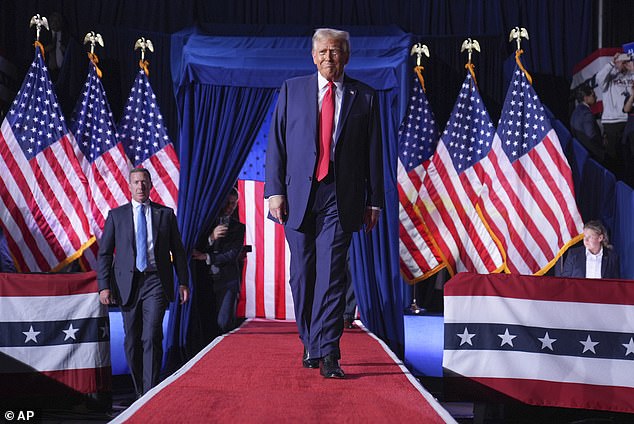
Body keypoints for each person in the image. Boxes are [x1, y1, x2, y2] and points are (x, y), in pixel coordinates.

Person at [265, 28, 384, 379]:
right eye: (323, 52)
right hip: (298, 196)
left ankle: (328, 351)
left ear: (346, 56)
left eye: (336, 51)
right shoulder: (292, 89)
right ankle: (310, 339)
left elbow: (373, 154)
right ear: (313, 56)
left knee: (331, 276)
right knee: (302, 275)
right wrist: (274, 191)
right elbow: (277, 144)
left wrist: (374, 201)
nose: (329, 58)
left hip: (341, 196)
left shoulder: (365, 96)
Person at [97, 168, 190, 397]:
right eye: (136, 182)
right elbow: (105, 254)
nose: (140, 186)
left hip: (156, 282)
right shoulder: (116, 216)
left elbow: (178, 252)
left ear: (150, 185)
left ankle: (150, 392)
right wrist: (104, 285)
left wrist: (183, 282)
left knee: (151, 335)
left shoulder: (165, 214)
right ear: (129, 186)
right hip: (128, 285)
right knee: (132, 341)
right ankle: (140, 391)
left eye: (144, 182)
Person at [192, 188, 246, 336]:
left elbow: (232, 254)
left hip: (227, 281)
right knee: (207, 324)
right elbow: (193, 248)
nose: (229, 207)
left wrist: (207, 257)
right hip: (205, 280)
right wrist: (211, 238)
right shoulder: (204, 224)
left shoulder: (238, 228)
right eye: (227, 203)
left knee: (224, 323)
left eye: (233, 204)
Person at [594, 52, 634, 176]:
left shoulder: (630, 75)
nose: (624, 63)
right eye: (622, 60)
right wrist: (612, 63)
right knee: (614, 156)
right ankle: (614, 182)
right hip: (612, 122)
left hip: (628, 120)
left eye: (626, 61)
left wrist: (633, 70)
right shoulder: (610, 76)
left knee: (628, 155)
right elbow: (598, 79)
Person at [570, 84, 605, 163]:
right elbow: (591, 135)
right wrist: (601, 143)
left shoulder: (575, 113)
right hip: (593, 154)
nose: (596, 97)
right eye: (593, 95)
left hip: (581, 153)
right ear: (586, 98)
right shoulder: (587, 113)